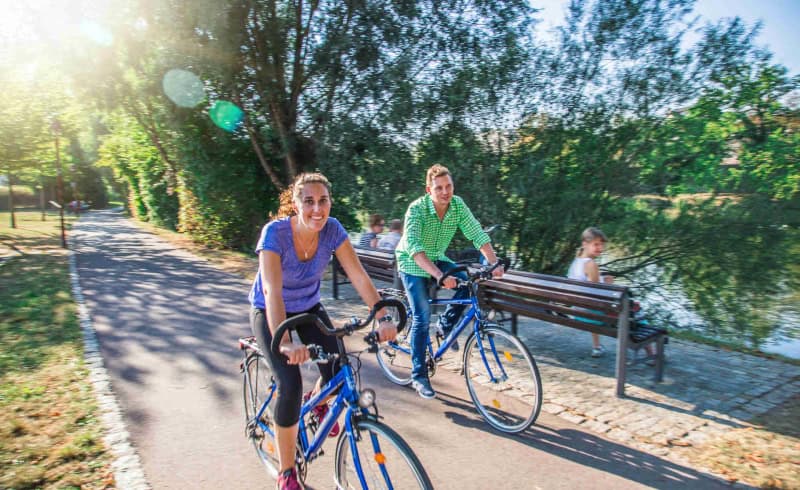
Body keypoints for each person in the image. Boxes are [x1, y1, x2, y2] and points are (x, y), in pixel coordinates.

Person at [248, 172, 398, 490]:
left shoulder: (332, 230)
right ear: (295, 203)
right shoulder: (275, 234)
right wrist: (285, 343)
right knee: (289, 381)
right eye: (309, 201)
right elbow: (272, 291)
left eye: (323, 201)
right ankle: (287, 472)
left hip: (309, 307)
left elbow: (357, 274)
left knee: (336, 366)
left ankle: (316, 403)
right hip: (270, 311)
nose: (318, 209)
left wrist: (382, 316)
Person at [395, 164, 503, 399]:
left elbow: (476, 232)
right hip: (413, 263)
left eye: (449, 186)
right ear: (428, 190)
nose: (445, 192)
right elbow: (413, 248)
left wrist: (493, 262)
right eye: (439, 188)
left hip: (436, 258)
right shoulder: (417, 210)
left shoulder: (457, 205)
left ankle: (444, 325)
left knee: (465, 282)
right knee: (422, 316)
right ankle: (418, 374)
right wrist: (440, 276)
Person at [567, 227, 656, 361]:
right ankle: (652, 353)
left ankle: (597, 347)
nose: (600, 248)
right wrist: (608, 284)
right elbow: (599, 294)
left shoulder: (576, 262)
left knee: (612, 308)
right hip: (592, 314)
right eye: (596, 244)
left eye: (601, 244)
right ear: (585, 243)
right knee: (634, 311)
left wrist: (602, 280)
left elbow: (589, 288)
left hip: (578, 312)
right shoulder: (591, 264)